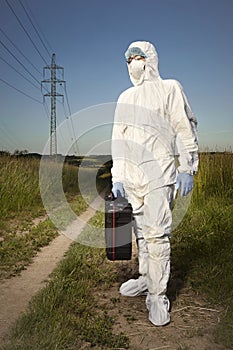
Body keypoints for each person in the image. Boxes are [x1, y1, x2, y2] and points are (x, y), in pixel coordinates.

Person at [111, 41, 198, 327]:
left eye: (138, 57)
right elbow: (118, 140)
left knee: (157, 234)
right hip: (132, 177)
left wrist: (188, 167)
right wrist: (118, 176)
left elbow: (185, 126)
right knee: (140, 234)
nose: (134, 62)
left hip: (159, 173)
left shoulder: (169, 88)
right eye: (129, 59)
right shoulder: (125, 97)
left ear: (150, 59)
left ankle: (158, 295)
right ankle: (146, 279)